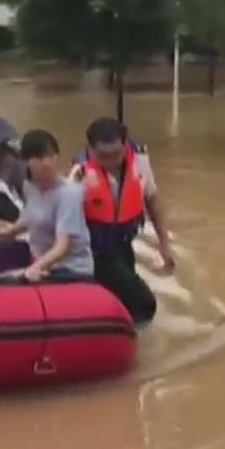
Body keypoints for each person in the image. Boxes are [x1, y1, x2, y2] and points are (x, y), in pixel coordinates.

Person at [67, 117, 173, 324]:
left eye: (116, 154)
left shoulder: (140, 162)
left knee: (123, 302)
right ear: (89, 149)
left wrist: (164, 243)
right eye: (103, 156)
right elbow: (65, 219)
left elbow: (152, 200)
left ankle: (127, 338)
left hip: (124, 245)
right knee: (144, 303)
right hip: (95, 253)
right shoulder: (79, 175)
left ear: (126, 145)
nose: (111, 161)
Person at [0, 130, 93, 282]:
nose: (46, 162)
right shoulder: (29, 186)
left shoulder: (69, 194)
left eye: (50, 156)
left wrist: (34, 269)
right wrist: (5, 232)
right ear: (25, 161)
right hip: (42, 262)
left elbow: (63, 246)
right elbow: (29, 217)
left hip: (70, 269)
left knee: (3, 283)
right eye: (39, 158)